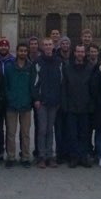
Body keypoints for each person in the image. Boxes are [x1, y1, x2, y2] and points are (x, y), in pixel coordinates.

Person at [31, 37, 62, 168]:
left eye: (50, 44)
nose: (48, 47)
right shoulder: (37, 62)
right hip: (42, 101)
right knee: (42, 129)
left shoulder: (58, 62)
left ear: (53, 46)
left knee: (50, 129)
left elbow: (61, 82)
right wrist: (36, 99)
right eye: (46, 45)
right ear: (42, 47)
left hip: (54, 101)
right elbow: (33, 82)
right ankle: (41, 156)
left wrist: (60, 98)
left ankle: (50, 155)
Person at [62, 43, 94, 167]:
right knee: (72, 134)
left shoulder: (90, 68)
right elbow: (64, 87)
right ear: (74, 53)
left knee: (85, 134)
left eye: (82, 52)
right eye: (78, 51)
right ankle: (74, 157)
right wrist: (65, 104)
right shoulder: (67, 67)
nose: (80, 54)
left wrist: (91, 105)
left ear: (84, 53)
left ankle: (83, 156)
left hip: (85, 107)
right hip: (71, 106)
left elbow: (92, 88)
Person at [5, 43, 32, 168]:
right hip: (12, 105)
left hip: (26, 104)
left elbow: (33, 85)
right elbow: (5, 85)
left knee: (25, 133)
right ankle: (11, 156)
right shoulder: (9, 67)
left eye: (25, 51)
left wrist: (30, 100)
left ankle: (25, 156)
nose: (23, 53)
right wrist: (9, 98)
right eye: (21, 51)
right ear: (17, 52)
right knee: (11, 132)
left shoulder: (31, 67)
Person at [0, 37, 15, 162]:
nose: (3, 47)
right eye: (1, 46)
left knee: (10, 128)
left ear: (8, 47)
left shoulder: (13, 61)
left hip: (9, 99)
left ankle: (10, 153)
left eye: (5, 46)